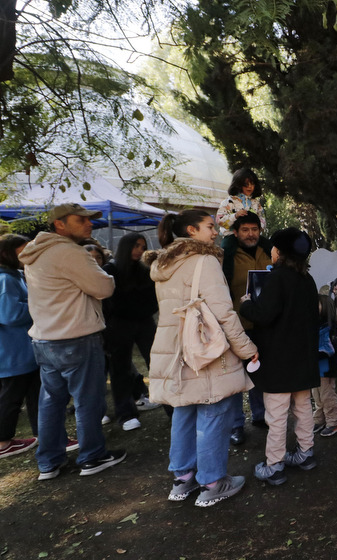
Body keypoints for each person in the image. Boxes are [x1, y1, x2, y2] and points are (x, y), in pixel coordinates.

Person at [145, 209, 258, 506]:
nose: (215, 231)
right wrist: (246, 349)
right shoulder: (205, 261)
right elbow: (223, 313)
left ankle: (183, 480)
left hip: (174, 347)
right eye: (210, 226)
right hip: (204, 348)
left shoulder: (164, 262)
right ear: (192, 231)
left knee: (183, 411)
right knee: (213, 411)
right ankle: (212, 481)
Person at [19, 204, 125, 480]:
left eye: (89, 219)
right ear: (60, 225)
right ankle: (92, 457)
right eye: (81, 220)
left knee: (51, 402)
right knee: (88, 400)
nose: (89, 224)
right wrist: (108, 277)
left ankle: (48, 462)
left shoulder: (35, 252)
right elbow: (104, 288)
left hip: (45, 339)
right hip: (75, 337)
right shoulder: (69, 252)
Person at [240, 228, 320, 486]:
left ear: (281, 252)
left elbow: (263, 314)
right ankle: (306, 454)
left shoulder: (277, 278)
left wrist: (246, 303)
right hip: (303, 359)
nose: (271, 251)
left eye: (273, 248)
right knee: (303, 408)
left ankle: (274, 465)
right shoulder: (307, 280)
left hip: (279, 360)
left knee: (276, 415)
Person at [222, 212, 272, 445]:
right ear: (235, 233)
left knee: (260, 372)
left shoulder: (269, 251)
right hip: (237, 325)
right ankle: (235, 425)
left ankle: (261, 415)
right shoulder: (227, 257)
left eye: (254, 229)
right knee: (234, 376)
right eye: (245, 230)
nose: (251, 234)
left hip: (264, 322)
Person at [103, 233, 160, 432]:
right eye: (135, 246)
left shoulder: (145, 270)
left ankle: (171, 405)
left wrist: (144, 312)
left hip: (144, 323)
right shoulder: (110, 269)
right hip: (119, 325)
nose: (139, 250)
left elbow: (154, 298)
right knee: (120, 370)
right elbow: (107, 302)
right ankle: (125, 413)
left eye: (142, 246)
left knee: (158, 363)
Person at [0, 234, 41, 459]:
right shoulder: (5, 279)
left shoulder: (15, 275)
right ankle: (3, 441)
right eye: (23, 250)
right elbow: (10, 314)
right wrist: (38, 306)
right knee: (12, 397)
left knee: (34, 393)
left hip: (21, 351)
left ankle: (45, 434)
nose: (28, 254)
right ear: (8, 253)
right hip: (13, 352)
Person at [312, 289, 337, 437]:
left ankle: (333, 421)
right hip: (316, 369)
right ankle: (319, 419)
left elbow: (329, 349)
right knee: (317, 396)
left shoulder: (330, 328)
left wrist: (311, 355)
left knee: (327, 396)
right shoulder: (315, 325)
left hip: (326, 368)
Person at [216, 167, 267, 236]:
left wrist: (256, 228)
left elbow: (262, 219)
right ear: (238, 185)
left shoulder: (256, 203)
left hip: (252, 237)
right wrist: (235, 216)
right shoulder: (228, 202)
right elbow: (220, 221)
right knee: (227, 246)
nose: (250, 187)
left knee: (268, 245)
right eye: (246, 184)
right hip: (231, 236)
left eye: (252, 184)